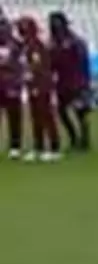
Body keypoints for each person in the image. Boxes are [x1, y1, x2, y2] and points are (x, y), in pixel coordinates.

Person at [16, 16, 61, 163]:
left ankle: (54, 148)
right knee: (36, 117)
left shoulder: (36, 46)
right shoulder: (27, 45)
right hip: (33, 86)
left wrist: (36, 85)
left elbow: (39, 68)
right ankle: (39, 147)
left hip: (41, 86)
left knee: (46, 116)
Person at [48, 11, 93, 153]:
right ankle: (73, 138)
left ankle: (84, 140)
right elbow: (52, 63)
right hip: (62, 82)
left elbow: (83, 62)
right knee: (62, 111)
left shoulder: (75, 41)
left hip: (77, 81)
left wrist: (85, 83)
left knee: (80, 112)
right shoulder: (53, 43)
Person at [0, 17, 23, 160]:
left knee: (14, 116)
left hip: (10, 84)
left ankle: (15, 146)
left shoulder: (15, 45)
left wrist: (16, 82)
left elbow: (19, 65)